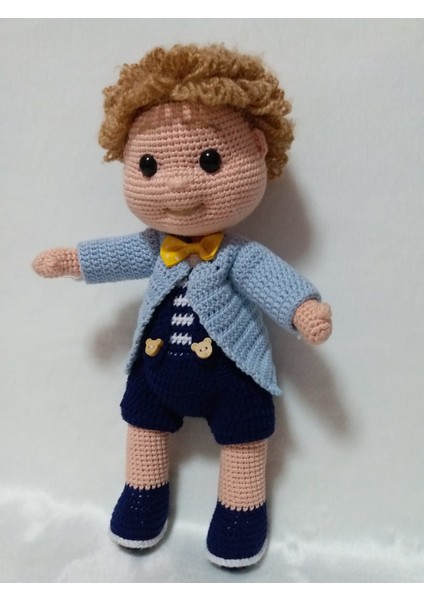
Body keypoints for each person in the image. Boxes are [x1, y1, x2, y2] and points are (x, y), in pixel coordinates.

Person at [32, 44, 332, 568]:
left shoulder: (239, 254)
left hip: (233, 372)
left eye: (209, 161)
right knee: (143, 424)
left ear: (258, 149)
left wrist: (303, 309)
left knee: (245, 435)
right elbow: (117, 254)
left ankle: (241, 511)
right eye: (149, 165)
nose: (177, 185)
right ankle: (143, 496)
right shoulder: (155, 246)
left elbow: (273, 281)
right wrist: (72, 260)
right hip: (157, 369)